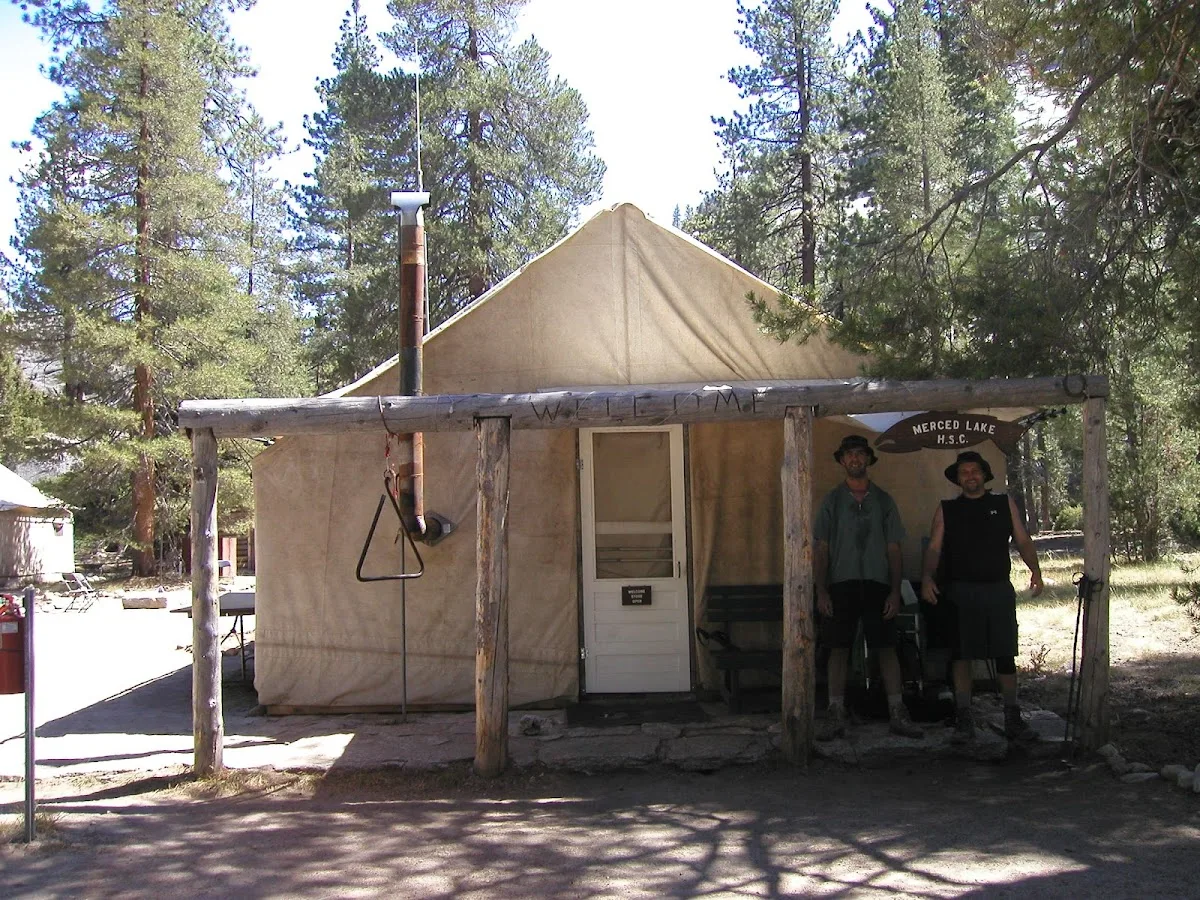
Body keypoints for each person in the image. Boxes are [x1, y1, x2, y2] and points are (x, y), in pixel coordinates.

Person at [920, 450, 1044, 743]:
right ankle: (964, 718)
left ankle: (1012, 716)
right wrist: (927, 577)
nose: (970, 476)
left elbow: (1023, 539)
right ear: (958, 478)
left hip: (998, 588)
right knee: (961, 655)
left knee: (1005, 654)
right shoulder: (947, 509)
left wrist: (1036, 570)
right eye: (964, 472)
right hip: (960, 591)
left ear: (984, 475)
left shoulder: (1003, 504)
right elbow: (934, 548)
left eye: (975, 471)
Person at [814, 434, 923, 740]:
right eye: (849, 455)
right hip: (840, 583)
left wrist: (894, 590)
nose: (855, 459)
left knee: (886, 647)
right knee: (837, 648)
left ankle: (898, 713)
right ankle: (835, 714)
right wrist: (820, 589)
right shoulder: (832, 502)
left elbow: (894, 549)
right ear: (841, 461)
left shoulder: (883, 501)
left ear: (868, 460)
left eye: (860, 454)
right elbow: (821, 548)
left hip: (877, 584)